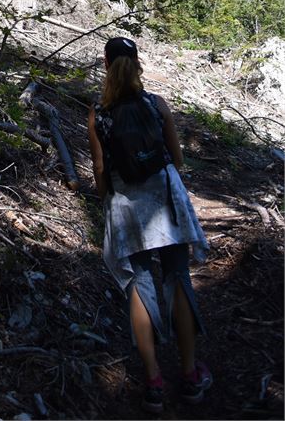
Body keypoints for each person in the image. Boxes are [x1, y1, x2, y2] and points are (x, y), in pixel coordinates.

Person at [87, 36, 212, 415]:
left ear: (106, 64)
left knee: (140, 286)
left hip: (127, 207)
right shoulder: (156, 105)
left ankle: (154, 380)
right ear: (138, 63)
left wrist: (107, 196)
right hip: (165, 200)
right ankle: (190, 375)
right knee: (177, 277)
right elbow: (175, 156)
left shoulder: (98, 115)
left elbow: (100, 170)